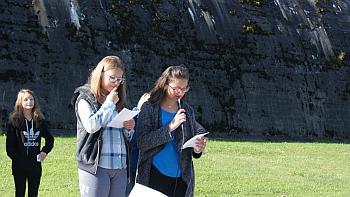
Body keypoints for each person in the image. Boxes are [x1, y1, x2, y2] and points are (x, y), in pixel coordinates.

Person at [136, 65, 208, 197]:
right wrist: (170, 127)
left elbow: (188, 143)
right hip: (154, 175)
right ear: (165, 84)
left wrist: (197, 149)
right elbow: (142, 142)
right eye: (175, 88)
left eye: (183, 88)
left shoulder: (188, 110)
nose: (179, 92)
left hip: (182, 177)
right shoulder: (149, 108)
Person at [71, 56, 135, 197]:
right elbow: (92, 126)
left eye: (120, 80)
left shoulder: (119, 100)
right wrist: (109, 104)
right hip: (95, 166)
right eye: (112, 78)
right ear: (100, 74)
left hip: (120, 166)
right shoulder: (85, 98)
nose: (116, 83)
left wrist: (129, 127)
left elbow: (126, 136)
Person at [6, 89, 54, 197]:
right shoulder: (14, 122)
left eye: (31, 99)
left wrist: (44, 152)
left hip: (35, 165)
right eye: (26, 100)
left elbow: (50, 139)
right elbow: (9, 148)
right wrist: (19, 160)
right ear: (20, 102)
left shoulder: (39, 120)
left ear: (35, 101)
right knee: (19, 193)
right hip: (19, 166)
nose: (29, 102)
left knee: (33, 193)